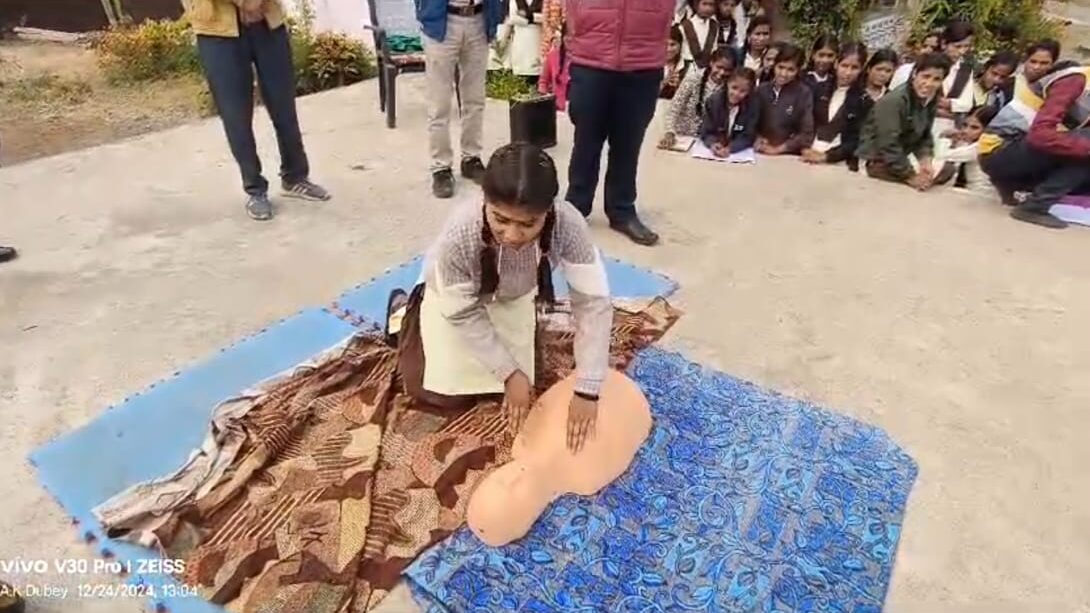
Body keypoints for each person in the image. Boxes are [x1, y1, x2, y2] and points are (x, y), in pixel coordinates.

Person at [391, 143, 611, 450]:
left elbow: (593, 304)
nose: (512, 236)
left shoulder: (568, 225)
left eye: (528, 224)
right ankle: (401, 310)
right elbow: (462, 312)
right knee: (434, 395)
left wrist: (588, 389)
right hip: (458, 303)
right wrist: (508, 372)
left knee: (526, 389)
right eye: (501, 220)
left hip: (513, 297)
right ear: (485, 200)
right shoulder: (460, 232)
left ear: (549, 210)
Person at [190, 0, 331, 221]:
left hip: (267, 19)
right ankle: (255, 189)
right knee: (236, 115)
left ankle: (295, 177)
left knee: (283, 104)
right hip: (217, 30)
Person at [564, 0, 676, 246]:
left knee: (629, 143)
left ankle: (622, 210)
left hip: (643, 61)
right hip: (591, 58)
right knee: (585, 141)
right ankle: (575, 207)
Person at [978, 59, 1090, 229]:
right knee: (1085, 144)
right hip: (999, 151)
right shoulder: (1075, 80)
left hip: (1024, 152)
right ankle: (1036, 206)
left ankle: (1015, 188)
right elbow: (1040, 136)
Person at [418, 0, 504, 199]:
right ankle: (441, 167)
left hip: (479, 19)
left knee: (475, 99)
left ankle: (471, 158)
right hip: (442, 20)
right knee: (439, 104)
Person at [856, 52, 952, 190]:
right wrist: (909, 176)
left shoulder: (931, 98)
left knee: (948, 169)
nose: (929, 84)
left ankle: (921, 180)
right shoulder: (894, 101)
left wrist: (925, 160)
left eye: (936, 79)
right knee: (920, 181)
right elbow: (888, 144)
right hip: (878, 160)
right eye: (925, 76)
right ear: (914, 74)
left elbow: (925, 136)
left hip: (903, 156)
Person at [892, 20, 975, 133]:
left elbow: (966, 104)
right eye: (957, 46)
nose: (962, 51)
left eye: (966, 47)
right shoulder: (913, 68)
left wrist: (947, 104)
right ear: (944, 44)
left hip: (943, 131)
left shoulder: (964, 72)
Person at [802, 42, 867, 167]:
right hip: (807, 154)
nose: (848, 72)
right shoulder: (819, 89)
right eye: (844, 66)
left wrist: (826, 156)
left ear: (861, 69)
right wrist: (805, 147)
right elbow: (805, 122)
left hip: (838, 163)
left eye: (854, 68)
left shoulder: (863, 101)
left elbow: (856, 140)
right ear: (836, 64)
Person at [658, 49, 736, 149]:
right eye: (719, 67)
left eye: (727, 70)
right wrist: (669, 133)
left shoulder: (731, 87)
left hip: (710, 140)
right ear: (711, 63)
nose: (722, 73)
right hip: (683, 137)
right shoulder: (693, 79)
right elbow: (674, 109)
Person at [754, 42, 814, 156]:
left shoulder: (803, 93)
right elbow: (749, 121)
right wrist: (757, 138)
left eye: (791, 70)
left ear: (798, 70)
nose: (784, 74)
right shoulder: (761, 90)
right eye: (780, 67)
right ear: (774, 65)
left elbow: (806, 133)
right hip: (759, 151)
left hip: (788, 155)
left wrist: (779, 149)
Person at [938, 104, 998, 198]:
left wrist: (944, 138)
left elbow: (941, 155)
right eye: (965, 125)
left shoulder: (981, 148)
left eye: (974, 128)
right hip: (970, 193)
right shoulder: (969, 144)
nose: (966, 131)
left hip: (980, 196)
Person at [699, 67, 759, 156]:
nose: (736, 94)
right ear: (728, 84)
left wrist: (731, 148)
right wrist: (713, 143)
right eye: (734, 88)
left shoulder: (752, 107)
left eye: (743, 91)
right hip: (714, 151)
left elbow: (748, 136)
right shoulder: (713, 102)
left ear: (749, 92)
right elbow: (706, 132)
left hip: (738, 154)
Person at [507, 0, 545, 87]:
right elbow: (513, 18)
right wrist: (529, 21)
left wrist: (529, 16)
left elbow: (546, 17)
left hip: (537, 37)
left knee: (536, 68)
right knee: (522, 68)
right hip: (521, 39)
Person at [538, 21, 570, 110]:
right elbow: (543, 81)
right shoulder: (553, 55)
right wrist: (544, 98)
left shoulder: (585, 59)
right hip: (558, 108)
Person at [679, 0, 720, 68]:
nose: (708, 8)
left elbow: (714, 48)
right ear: (696, 5)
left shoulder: (714, 26)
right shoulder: (685, 26)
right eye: (704, 4)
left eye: (711, 5)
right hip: (687, 66)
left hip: (706, 67)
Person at [661, 26, 690, 99]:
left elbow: (691, 98)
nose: (669, 49)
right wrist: (664, 83)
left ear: (680, 45)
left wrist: (680, 87)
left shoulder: (689, 68)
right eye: (665, 44)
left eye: (673, 44)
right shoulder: (652, 66)